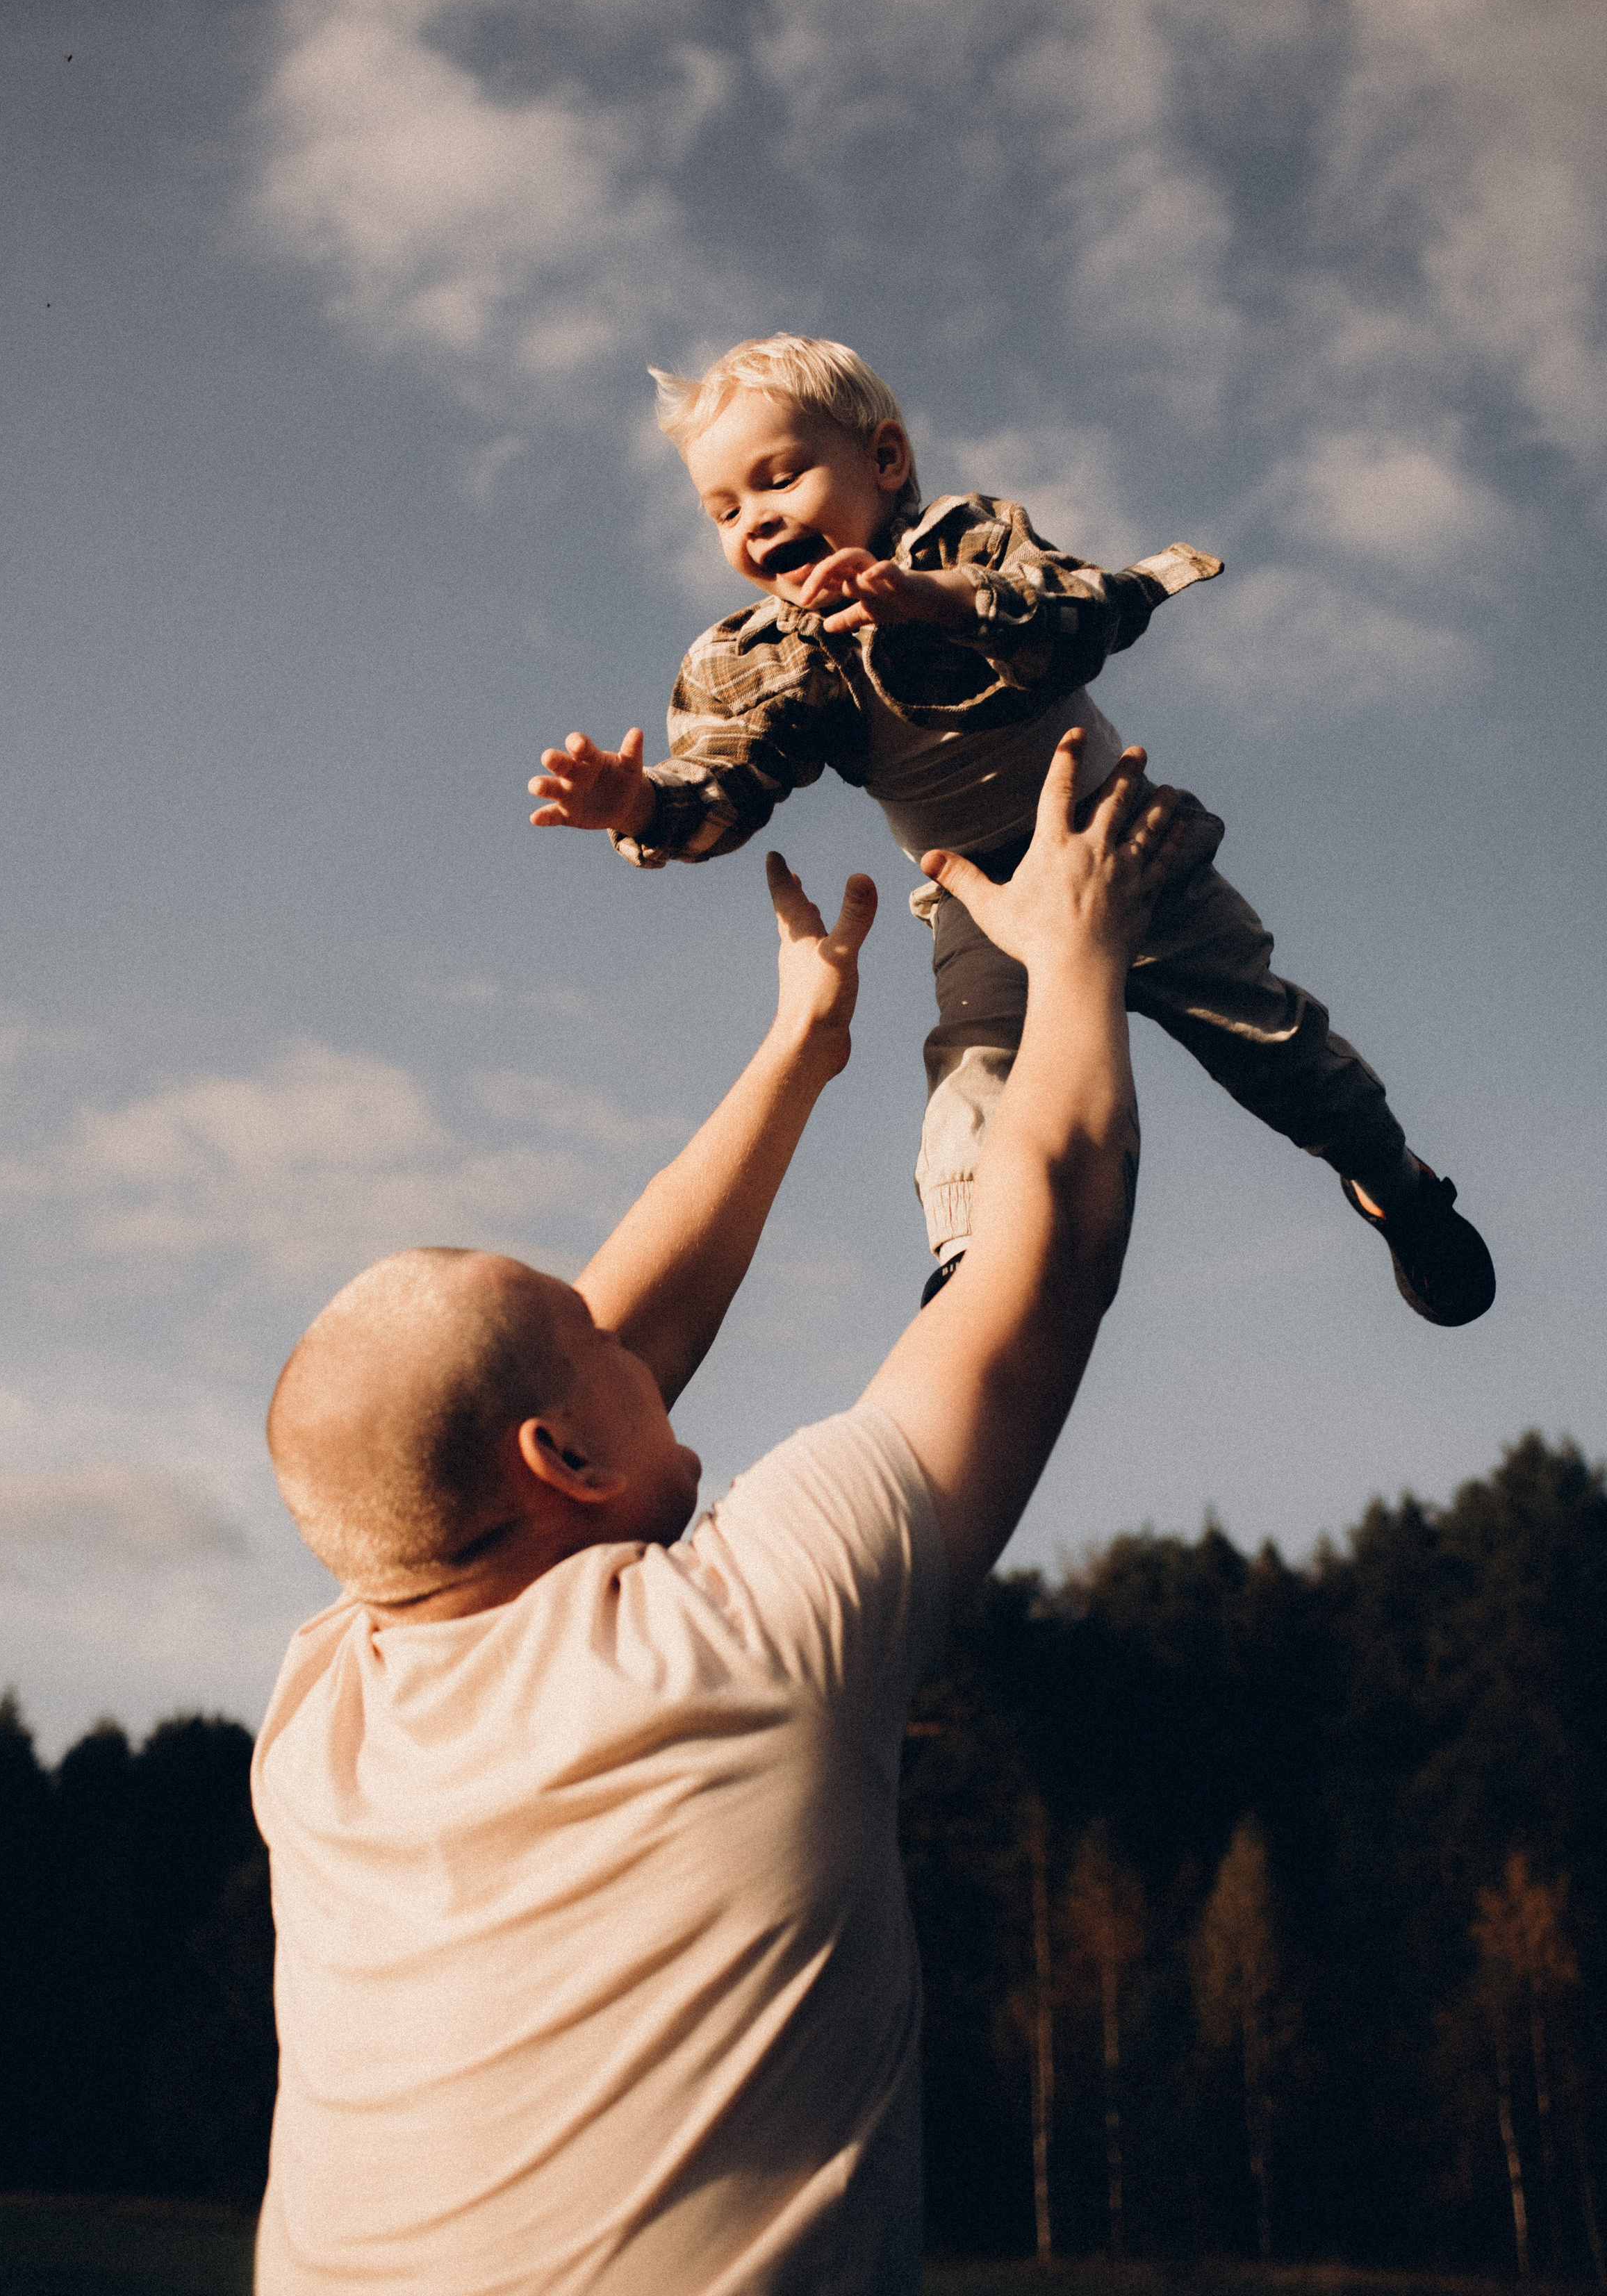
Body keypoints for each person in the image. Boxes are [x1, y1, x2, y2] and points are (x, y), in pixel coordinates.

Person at [254, 734, 1178, 2294]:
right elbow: (1052, 1243)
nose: (638, 1340)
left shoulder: (323, 1713)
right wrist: (1079, 957)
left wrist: (800, 1051)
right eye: (600, 1340)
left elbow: (506, 1409)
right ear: (565, 1465)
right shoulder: (748, 1638)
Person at [527, 333, 1494, 1328]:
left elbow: (1076, 616)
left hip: (1119, 845)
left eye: (780, 480)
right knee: (972, 1064)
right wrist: (636, 802)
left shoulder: (964, 542)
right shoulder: (772, 659)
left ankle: (1391, 1179)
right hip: (981, 896)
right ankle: (968, 1259)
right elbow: (727, 786)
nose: (756, 521)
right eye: (725, 510)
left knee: (1266, 1033)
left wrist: (936, 603)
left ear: (886, 462)